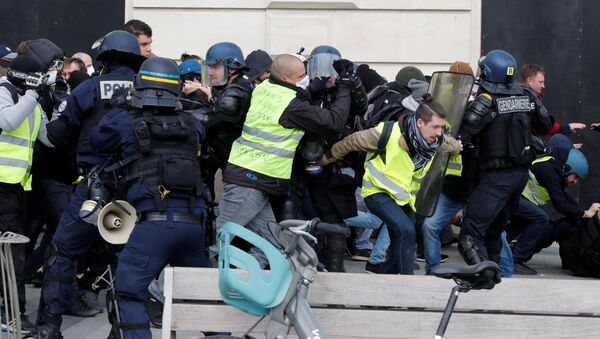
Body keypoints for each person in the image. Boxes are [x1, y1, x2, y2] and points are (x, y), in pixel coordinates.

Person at [90, 56, 211, 339]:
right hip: (194, 225)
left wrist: (119, 106)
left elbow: (98, 141)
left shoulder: (124, 120)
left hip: (152, 227)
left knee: (129, 293)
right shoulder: (191, 124)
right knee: (206, 300)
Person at [34, 30, 145, 338]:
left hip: (94, 187)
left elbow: (57, 135)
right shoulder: (146, 89)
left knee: (63, 251)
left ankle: (48, 327)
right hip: (132, 191)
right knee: (123, 259)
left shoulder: (89, 89)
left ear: (105, 59)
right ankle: (121, 331)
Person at [215, 54, 356, 267]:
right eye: (301, 76)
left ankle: (242, 283)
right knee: (221, 241)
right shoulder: (292, 107)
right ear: (284, 76)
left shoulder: (264, 88)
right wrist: (344, 89)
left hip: (257, 180)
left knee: (272, 248)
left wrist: (312, 91)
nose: (305, 78)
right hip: (249, 181)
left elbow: (291, 97)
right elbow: (333, 121)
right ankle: (165, 289)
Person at [322, 94, 461, 274]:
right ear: (420, 123)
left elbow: (450, 143)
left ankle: (381, 284)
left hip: (403, 200)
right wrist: (326, 158)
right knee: (407, 231)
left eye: (441, 128)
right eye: (435, 127)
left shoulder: (436, 141)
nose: (438, 132)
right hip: (377, 193)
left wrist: (457, 147)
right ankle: (407, 286)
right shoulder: (385, 134)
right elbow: (352, 141)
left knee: (400, 251)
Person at [457, 50, 552, 286]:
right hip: (518, 176)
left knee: (469, 235)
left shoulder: (486, 100)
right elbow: (545, 124)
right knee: (493, 232)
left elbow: (461, 135)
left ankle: (484, 279)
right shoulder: (526, 95)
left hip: (495, 178)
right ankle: (495, 281)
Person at [0, 38, 63, 334]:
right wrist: (33, 94)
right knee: (12, 253)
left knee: (12, 251)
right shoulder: (4, 91)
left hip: (17, 188)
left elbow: (48, 137)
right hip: (1, 185)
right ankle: (12, 313)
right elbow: (8, 121)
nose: (52, 74)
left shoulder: (33, 101)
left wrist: (66, 110)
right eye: (48, 69)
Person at [300, 45, 368, 272]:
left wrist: (350, 82)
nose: (326, 73)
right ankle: (313, 265)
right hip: (309, 166)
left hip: (338, 167)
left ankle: (336, 268)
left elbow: (359, 107)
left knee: (335, 218)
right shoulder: (311, 91)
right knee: (311, 217)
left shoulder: (345, 92)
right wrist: (316, 89)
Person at [508, 135, 600, 274]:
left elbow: (563, 197)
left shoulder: (554, 170)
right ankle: (515, 260)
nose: (575, 182)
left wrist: (582, 212)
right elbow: (560, 203)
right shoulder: (549, 170)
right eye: (575, 176)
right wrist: (584, 213)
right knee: (541, 219)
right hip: (513, 197)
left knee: (521, 224)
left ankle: (498, 254)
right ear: (568, 168)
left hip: (515, 198)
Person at [519, 64, 586, 138]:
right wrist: (566, 128)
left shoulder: (512, 94)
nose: (543, 86)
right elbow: (545, 126)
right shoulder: (531, 98)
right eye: (540, 82)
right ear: (529, 81)